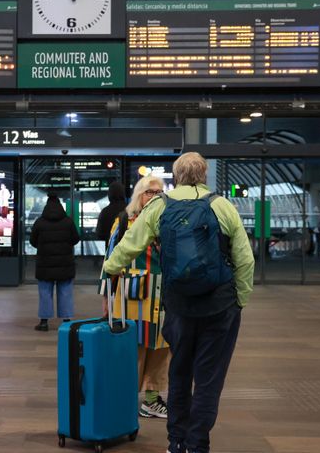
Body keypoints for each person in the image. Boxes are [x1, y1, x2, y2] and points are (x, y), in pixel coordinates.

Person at [103, 152, 255, 453]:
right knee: (209, 380)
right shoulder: (222, 206)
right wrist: (240, 300)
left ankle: (176, 441)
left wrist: (110, 269)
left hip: (178, 306)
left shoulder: (160, 206)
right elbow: (245, 260)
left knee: (179, 373)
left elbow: (129, 245)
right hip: (219, 307)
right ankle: (198, 444)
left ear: (177, 176)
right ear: (204, 175)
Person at [100, 175, 170, 420]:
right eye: (149, 192)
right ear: (139, 196)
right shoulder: (124, 221)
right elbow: (110, 259)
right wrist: (106, 298)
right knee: (131, 348)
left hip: (162, 296)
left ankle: (151, 400)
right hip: (132, 297)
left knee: (162, 348)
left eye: (159, 192)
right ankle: (124, 398)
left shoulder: (168, 221)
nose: (155, 196)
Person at [30, 193, 80, 331]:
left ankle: (44, 322)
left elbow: (32, 241)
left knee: (45, 292)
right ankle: (66, 320)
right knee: (65, 291)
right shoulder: (68, 222)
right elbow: (76, 239)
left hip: (45, 264)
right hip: (65, 263)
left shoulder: (39, 222)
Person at [96, 181, 126, 249]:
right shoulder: (130, 210)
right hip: (128, 252)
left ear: (109, 194)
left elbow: (99, 234)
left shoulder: (105, 212)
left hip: (111, 250)